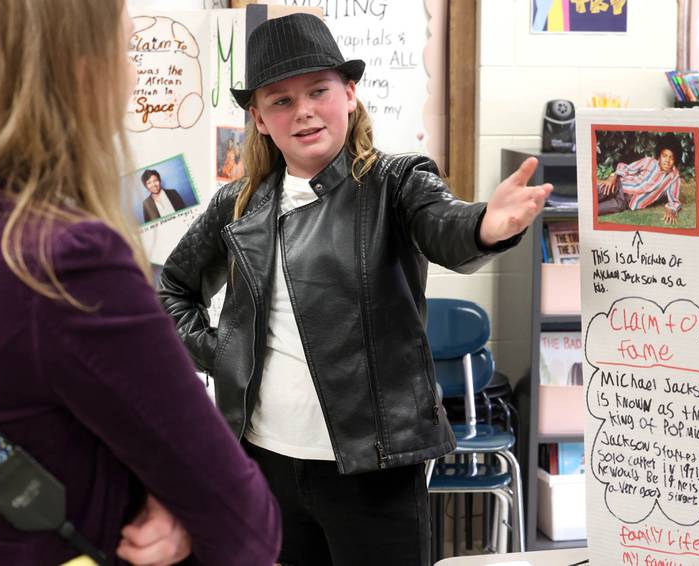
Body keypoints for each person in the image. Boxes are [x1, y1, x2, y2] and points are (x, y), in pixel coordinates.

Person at [159, 12, 551, 566]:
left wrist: (485, 225)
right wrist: (223, 353)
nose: (303, 112)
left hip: (375, 469)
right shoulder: (238, 205)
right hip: (264, 460)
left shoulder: (396, 182)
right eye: (280, 100)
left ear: (348, 93)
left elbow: (444, 224)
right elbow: (169, 290)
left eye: (318, 90)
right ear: (259, 119)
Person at [0, 1, 280, 565]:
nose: (130, 75)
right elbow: (243, 521)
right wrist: (179, 506)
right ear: (81, 73)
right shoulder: (63, 262)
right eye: (122, 51)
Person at [597, 134, 682, 225]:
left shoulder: (673, 177)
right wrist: (612, 176)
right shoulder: (649, 162)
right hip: (618, 185)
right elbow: (627, 168)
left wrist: (671, 210)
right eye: (664, 156)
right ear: (659, 156)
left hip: (624, 202)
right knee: (592, 194)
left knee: (595, 209)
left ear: (675, 160)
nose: (667, 161)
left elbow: (674, 200)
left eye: (671, 158)